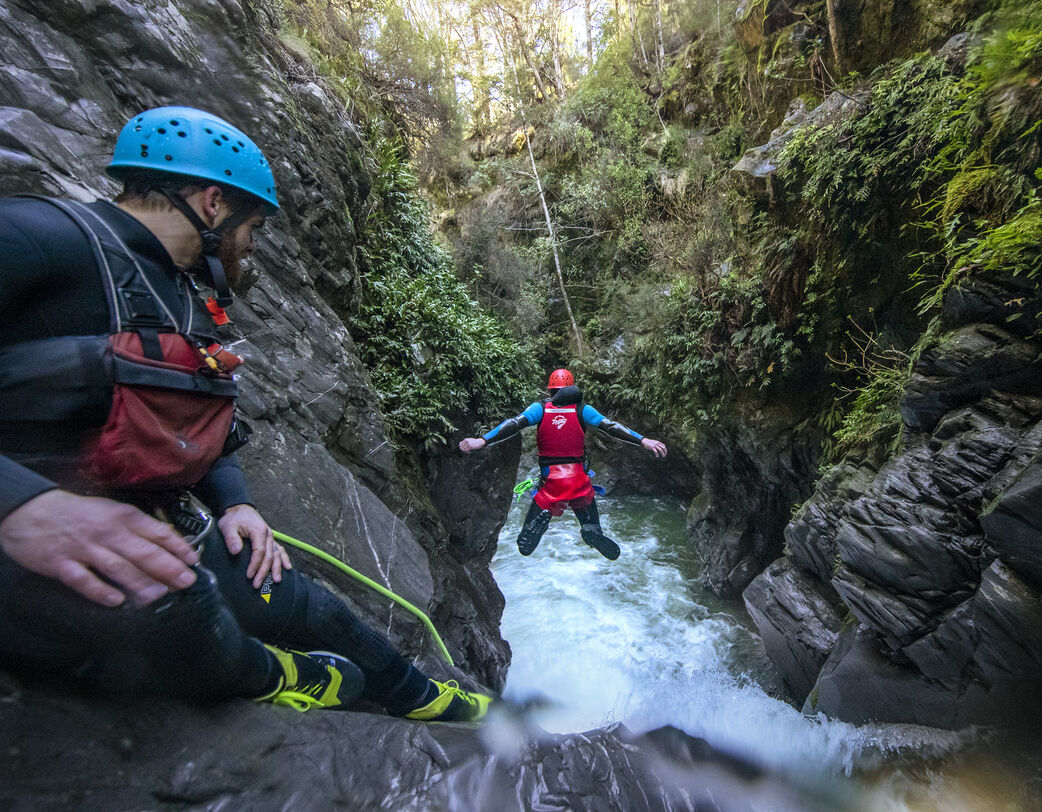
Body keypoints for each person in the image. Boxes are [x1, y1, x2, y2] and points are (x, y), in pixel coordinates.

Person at [0, 105, 489, 721]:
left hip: (138, 528)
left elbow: (194, 425)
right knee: (180, 610)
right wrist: (24, 504)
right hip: (30, 548)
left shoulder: (181, 296)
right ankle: (275, 674)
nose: (251, 243)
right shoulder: (39, 237)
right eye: (250, 224)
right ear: (212, 205)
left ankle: (431, 702)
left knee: (315, 607)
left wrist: (236, 502)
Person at [459, 369, 667, 560]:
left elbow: (514, 424)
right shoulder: (582, 410)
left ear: (550, 390)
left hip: (550, 481)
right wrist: (643, 440)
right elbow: (611, 427)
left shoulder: (540, 408)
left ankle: (540, 520)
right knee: (592, 525)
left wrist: (482, 440)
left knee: (525, 545)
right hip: (579, 481)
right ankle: (590, 531)